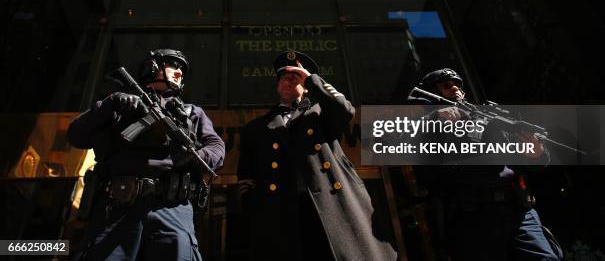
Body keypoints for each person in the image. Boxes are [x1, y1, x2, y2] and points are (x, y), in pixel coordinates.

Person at [237, 51, 397, 261]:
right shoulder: (255, 129)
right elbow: (246, 180)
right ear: (277, 86)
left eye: (296, 77)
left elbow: (345, 109)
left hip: (333, 209)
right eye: (284, 77)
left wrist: (312, 78)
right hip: (283, 214)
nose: (289, 79)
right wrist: (260, 211)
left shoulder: (321, 112)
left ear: (306, 86)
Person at [67, 49, 225, 261]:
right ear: (153, 67)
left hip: (172, 207)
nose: (179, 72)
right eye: (173, 65)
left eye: (182, 69)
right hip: (118, 205)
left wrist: (194, 156)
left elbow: (217, 149)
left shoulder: (192, 113)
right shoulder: (120, 105)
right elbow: (76, 136)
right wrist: (108, 106)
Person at [408, 68, 562, 261]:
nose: (455, 88)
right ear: (432, 92)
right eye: (446, 86)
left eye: (458, 85)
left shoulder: (490, 117)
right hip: (471, 216)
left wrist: (536, 154)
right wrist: (433, 119)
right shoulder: (425, 124)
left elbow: (531, 163)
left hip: (517, 210)